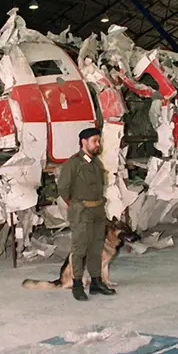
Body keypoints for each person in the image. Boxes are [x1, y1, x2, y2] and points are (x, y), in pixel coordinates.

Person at [57, 127, 117, 301]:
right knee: (79, 249)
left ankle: (96, 282)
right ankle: (77, 284)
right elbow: (63, 189)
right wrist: (76, 205)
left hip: (98, 210)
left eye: (98, 141)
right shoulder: (73, 164)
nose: (98, 144)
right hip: (82, 211)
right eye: (94, 141)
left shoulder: (96, 162)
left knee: (96, 248)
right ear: (84, 142)